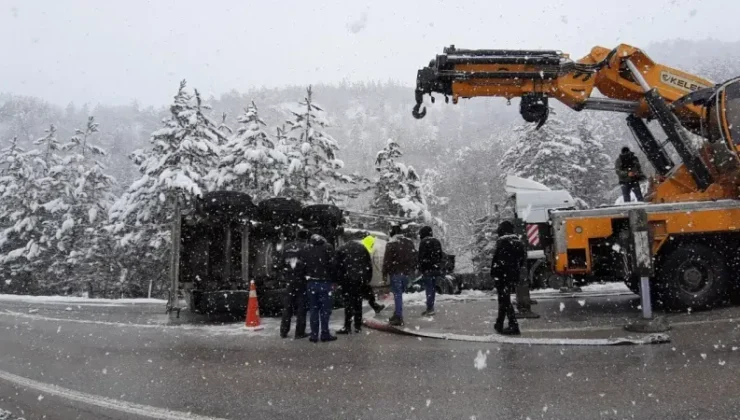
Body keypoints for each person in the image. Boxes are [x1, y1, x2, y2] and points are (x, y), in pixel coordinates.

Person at [490, 220, 526, 335]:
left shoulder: (502, 242)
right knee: (504, 299)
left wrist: (494, 273)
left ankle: (513, 325)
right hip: (513, 275)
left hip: (502, 275)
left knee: (504, 300)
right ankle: (499, 323)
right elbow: (522, 260)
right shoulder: (518, 242)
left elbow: (497, 260)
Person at [302, 234, 337, 343]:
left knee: (313, 310)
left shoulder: (307, 249)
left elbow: (302, 266)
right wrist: (334, 280)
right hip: (325, 283)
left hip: (311, 283)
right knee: (325, 310)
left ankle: (314, 335)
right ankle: (325, 334)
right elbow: (333, 265)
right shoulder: (328, 248)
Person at [334, 239, 373, 334]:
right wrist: (367, 279)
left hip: (347, 280)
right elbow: (368, 264)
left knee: (348, 303)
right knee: (358, 302)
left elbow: (337, 266)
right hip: (360, 279)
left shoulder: (341, 249)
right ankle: (358, 326)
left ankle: (347, 326)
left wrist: (339, 280)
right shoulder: (362, 248)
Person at [382, 225, 417, 326]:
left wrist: (384, 273)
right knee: (400, 294)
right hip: (406, 273)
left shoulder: (391, 243)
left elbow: (387, 260)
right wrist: (412, 269)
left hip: (396, 272)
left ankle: (398, 316)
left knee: (397, 295)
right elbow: (414, 256)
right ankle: (396, 313)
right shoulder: (409, 242)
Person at [279, 229, 310, 339]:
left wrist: (286, 274)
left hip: (289, 281)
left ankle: (283, 331)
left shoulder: (286, 247)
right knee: (302, 307)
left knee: (288, 307)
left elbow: (280, 263)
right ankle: (299, 332)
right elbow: (309, 265)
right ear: (306, 238)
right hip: (302, 281)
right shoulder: (306, 248)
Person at [418, 226, 444, 317]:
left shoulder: (424, 242)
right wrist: (438, 265)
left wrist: (421, 267)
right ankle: (431, 306)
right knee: (432, 288)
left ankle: (430, 308)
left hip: (427, 269)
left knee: (428, 288)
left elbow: (420, 257)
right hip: (435, 269)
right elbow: (441, 255)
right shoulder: (436, 241)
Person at [360, 235, 385, 314]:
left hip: (360, 275)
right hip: (359, 275)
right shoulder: (363, 249)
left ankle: (375, 306)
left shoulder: (363, 248)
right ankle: (356, 314)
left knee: (367, 292)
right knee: (364, 293)